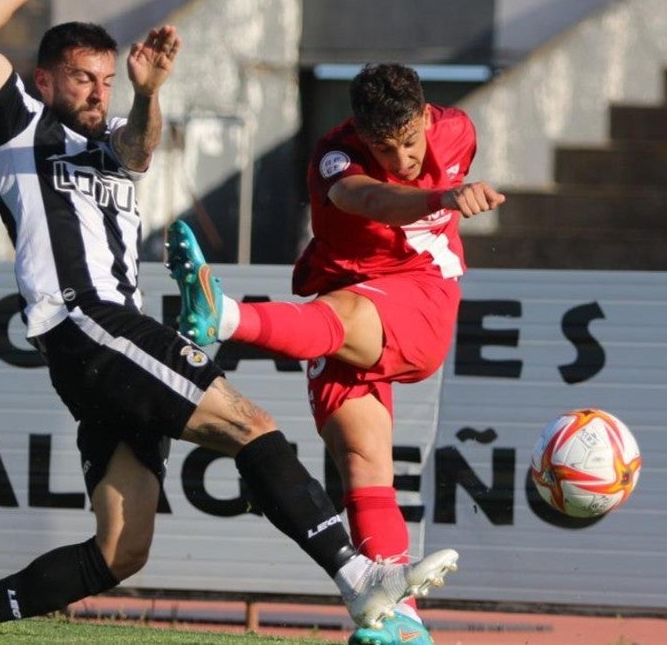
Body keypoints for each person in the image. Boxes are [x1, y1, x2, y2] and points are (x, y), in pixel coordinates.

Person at [0, 0, 458, 636]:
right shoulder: (22, 128)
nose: (97, 92)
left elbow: (142, 150)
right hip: (90, 321)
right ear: (45, 80)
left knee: (121, 550)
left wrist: (148, 93)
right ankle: (361, 579)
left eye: (107, 80)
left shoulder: (113, 140)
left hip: (104, 343)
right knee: (250, 426)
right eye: (84, 79)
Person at [167, 62, 504, 644]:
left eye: (409, 142)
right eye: (383, 146)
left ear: (427, 117)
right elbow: (368, 198)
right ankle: (401, 622)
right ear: (359, 131)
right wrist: (442, 195)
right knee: (362, 462)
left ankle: (223, 316)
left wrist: (450, 191)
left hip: (421, 294)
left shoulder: (457, 130)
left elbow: (408, 189)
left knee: (344, 313)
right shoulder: (334, 156)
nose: (400, 159)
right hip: (340, 307)